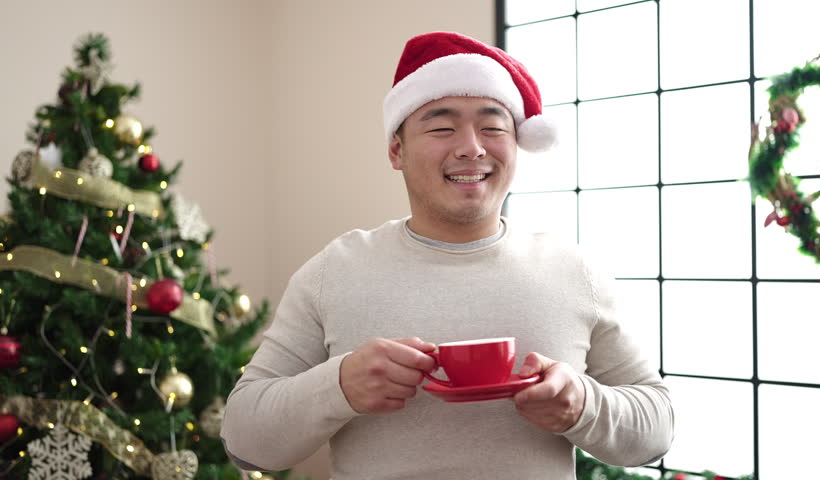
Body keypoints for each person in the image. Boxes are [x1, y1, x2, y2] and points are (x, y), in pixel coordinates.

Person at [221, 31, 674, 479]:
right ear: (396, 150)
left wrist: (581, 404)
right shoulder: (334, 271)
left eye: (494, 127)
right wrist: (338, 386)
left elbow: (657, 427)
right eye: (441, 127)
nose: (472, 147)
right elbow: (244, 440)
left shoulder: (574, 271)